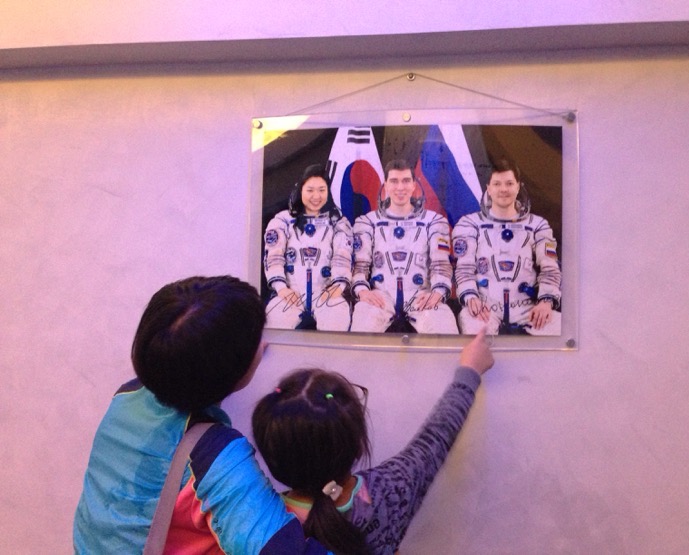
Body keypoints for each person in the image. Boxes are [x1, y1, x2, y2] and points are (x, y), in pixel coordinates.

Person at [73, 276, 328, 554]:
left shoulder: (126, 396)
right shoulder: (214, 455)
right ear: (232, 370)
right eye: (256, 338)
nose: (263, 343)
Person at [252, 329, 494, 555]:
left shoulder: (258, 520)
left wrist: (247, 360)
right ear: (359, 445)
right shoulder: (391, 489)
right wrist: (469, 370)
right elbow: (437, 436)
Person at [452, 157, 562, 335]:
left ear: (518, 187)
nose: (503, 189)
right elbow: (464, 268)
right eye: (497, 184)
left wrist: (546, 302)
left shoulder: (537, 225)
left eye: (509, 183)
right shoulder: (470, 224)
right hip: (486, 308)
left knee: (559, 327)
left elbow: (550, 268)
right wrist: (471, 297)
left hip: (528, 309)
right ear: (488, 188)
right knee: (474, 330)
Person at [349, 159, 459, 334]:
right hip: (381, 296)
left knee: (444, 327)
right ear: (385, 185)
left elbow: (441, 264)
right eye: (394, 181)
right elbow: (360, 265)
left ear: (414, 185)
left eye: (406, 181)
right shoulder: (368, 222)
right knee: (362, 324)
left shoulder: (433, 221)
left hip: (420, 295)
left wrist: (438, 292)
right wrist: (362, 291)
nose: (400, 187)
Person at [263, 164, 354, 331]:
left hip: (325, 293)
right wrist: (281, 288)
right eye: (310, 190)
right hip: (290, 293)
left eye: (321, 190)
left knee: (337, 323)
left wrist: (338, 286)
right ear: (300, 190)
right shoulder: (283, 221)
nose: (316, 196)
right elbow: (274, 257)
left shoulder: (338, 223)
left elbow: (343, 257)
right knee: (274, 326)